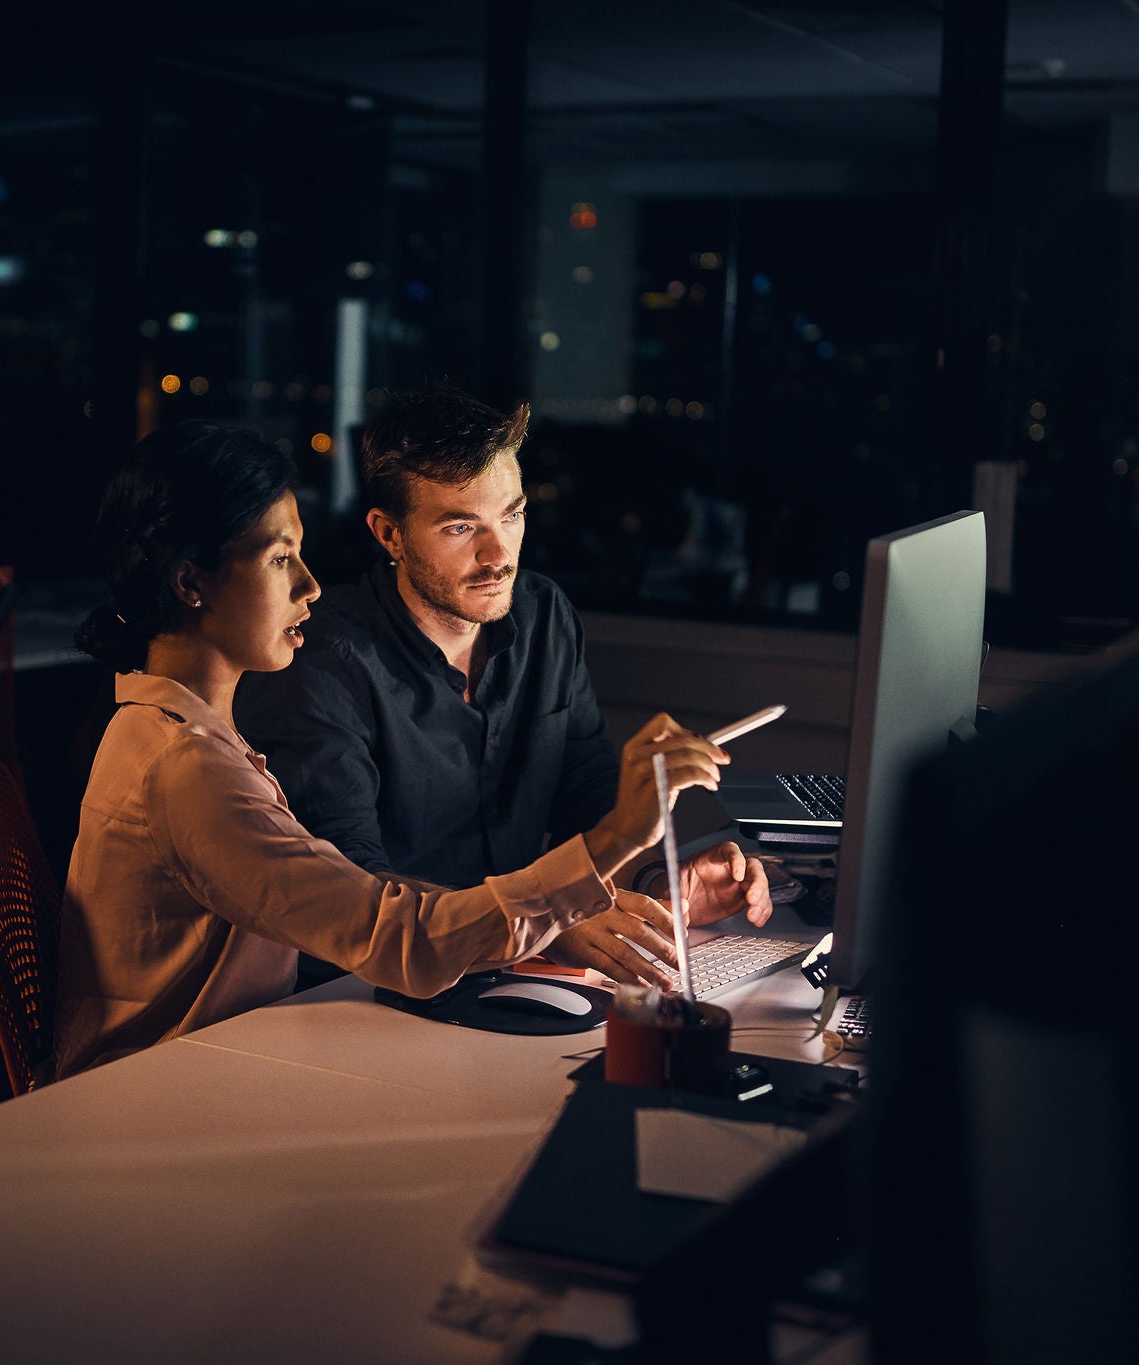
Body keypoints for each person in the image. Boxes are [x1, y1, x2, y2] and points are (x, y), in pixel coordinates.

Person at [54, 420, 736, 1077]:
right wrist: (615, 840)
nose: (310, 586)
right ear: (190, 582)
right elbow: (399, 937)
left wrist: (645, 879)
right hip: (158, 1103)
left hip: (235, 1065)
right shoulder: (187, 766)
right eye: (281, 558)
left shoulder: (189, 732)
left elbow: (379, 911)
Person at [236, 385, 771, 988]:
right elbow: (353, 889)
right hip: (364, 993)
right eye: (461, 527)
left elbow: (586, 794)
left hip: (522, 973)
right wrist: (545, 922)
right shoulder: (320, 658)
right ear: (390, 535)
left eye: (511, 516)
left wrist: (656, 884)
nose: (499, 555)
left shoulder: (543, 614)